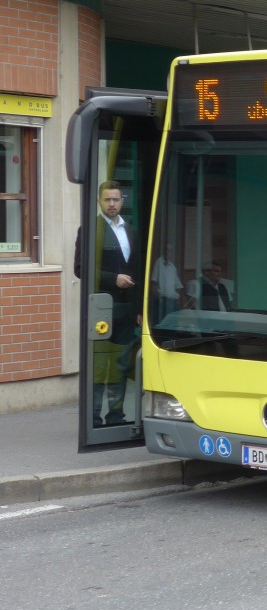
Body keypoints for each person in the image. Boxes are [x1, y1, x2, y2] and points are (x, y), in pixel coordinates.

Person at [74, 180, 142, 427]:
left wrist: (138, 310)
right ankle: (93, 418)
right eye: (107, 200)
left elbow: (138, 271)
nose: (112, 204)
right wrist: (114, 279)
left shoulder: (132, 231)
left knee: (121, 365)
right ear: (99, 201)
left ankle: (116, 416)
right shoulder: (90, 229)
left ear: (122, 200)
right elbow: (81, 268)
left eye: (116, 199)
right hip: (101, 310)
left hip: (126, 312)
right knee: (100, 366)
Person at [150, 243, 190, 317]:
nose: (167, 252)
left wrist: (176, 298)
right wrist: (159, 298)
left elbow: (178, 286)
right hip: (161, 300)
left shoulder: (172, 267)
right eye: (166, 250)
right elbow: (153, 283)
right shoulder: (159, 263)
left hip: (172, 301)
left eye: (169, 250)